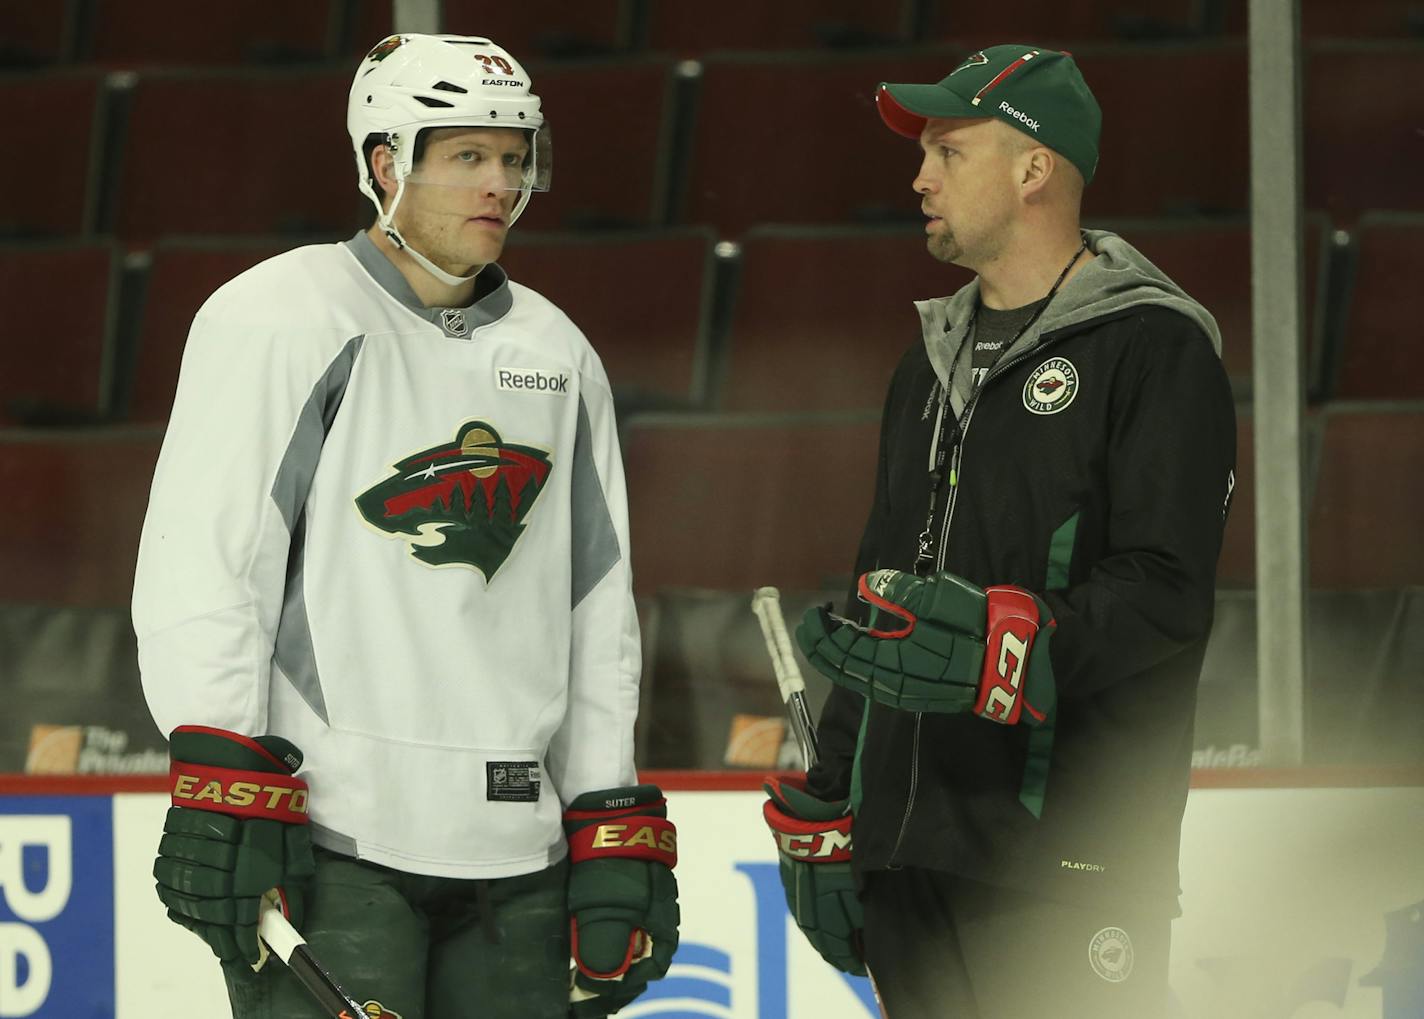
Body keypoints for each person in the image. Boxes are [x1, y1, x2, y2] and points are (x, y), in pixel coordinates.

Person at [133, 33, 678, 1019]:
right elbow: (207, 564)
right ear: (386, 162)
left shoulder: (557, 351)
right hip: (335, 842)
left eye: (513, 159)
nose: (498, 184)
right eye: (467, 155)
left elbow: (597, 607)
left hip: (520, 855)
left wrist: (605, 806)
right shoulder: (277, 315)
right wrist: (218, 766)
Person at [761, 44, 1236, 1018]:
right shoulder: (925, 358)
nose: (918, 176)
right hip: (907, 856)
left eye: (948, 150)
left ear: (1031, 168)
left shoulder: (1155, 346)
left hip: (1066, 866)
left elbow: (1164, 593)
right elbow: (879, 603)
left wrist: (1003, 648)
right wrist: (827, 802)